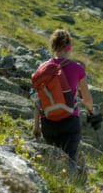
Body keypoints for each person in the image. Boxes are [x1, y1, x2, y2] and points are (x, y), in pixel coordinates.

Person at [32, 28, 95, 165]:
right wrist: (91, 110)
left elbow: (38, 99)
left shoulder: (42, 69)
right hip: (69, 121)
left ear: (53, 46)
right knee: (68, 163)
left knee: (52, 162)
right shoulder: (77, 68)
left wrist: (36, 126)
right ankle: (69, 184)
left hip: (48, 122)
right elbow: (87, 98)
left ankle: (52, 185)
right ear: (69, 47)